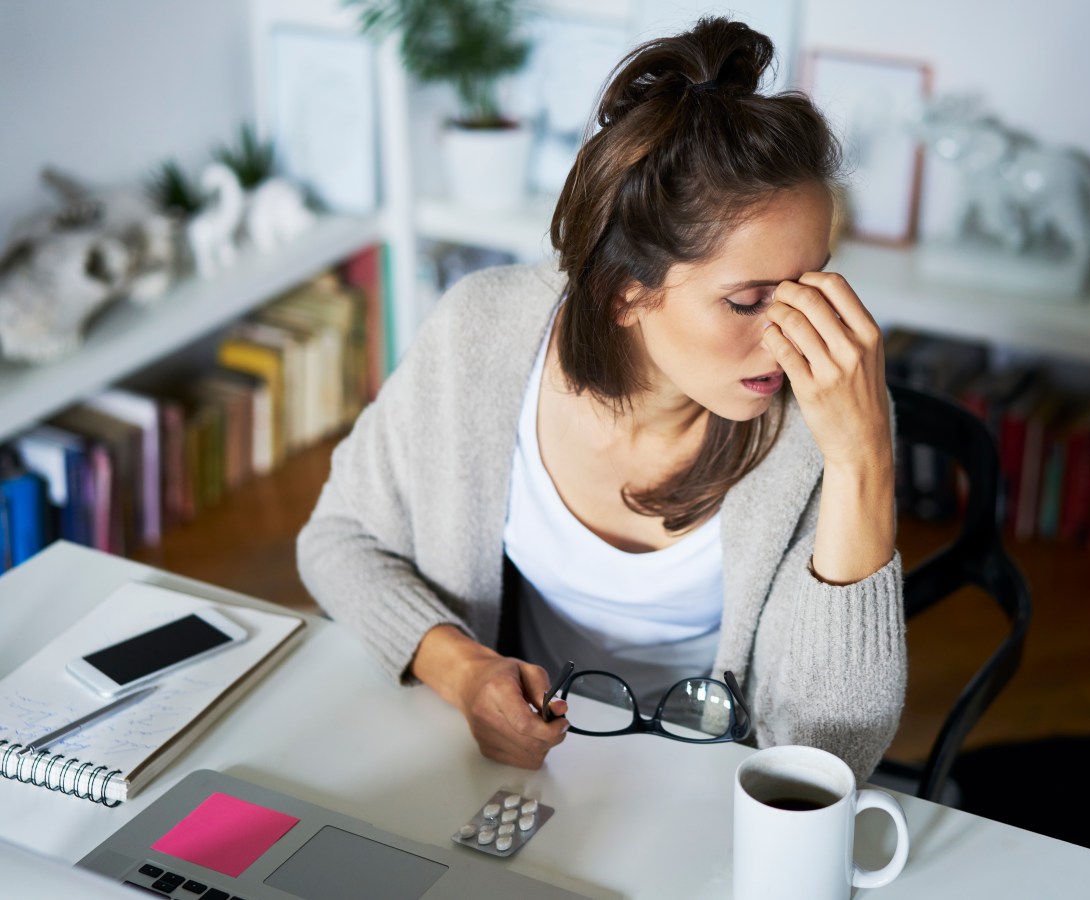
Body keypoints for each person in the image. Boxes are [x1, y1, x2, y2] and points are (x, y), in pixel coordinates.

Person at [297, 16, 905, 783]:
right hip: (518, 767)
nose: (793, 339)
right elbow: (339, 539)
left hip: (714, 788)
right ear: (625, 291)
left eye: (810, 283)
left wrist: (864, 457)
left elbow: (828, 755)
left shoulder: (824, 417)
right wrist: (465, 672)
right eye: (749, 301)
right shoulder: (481, 335)